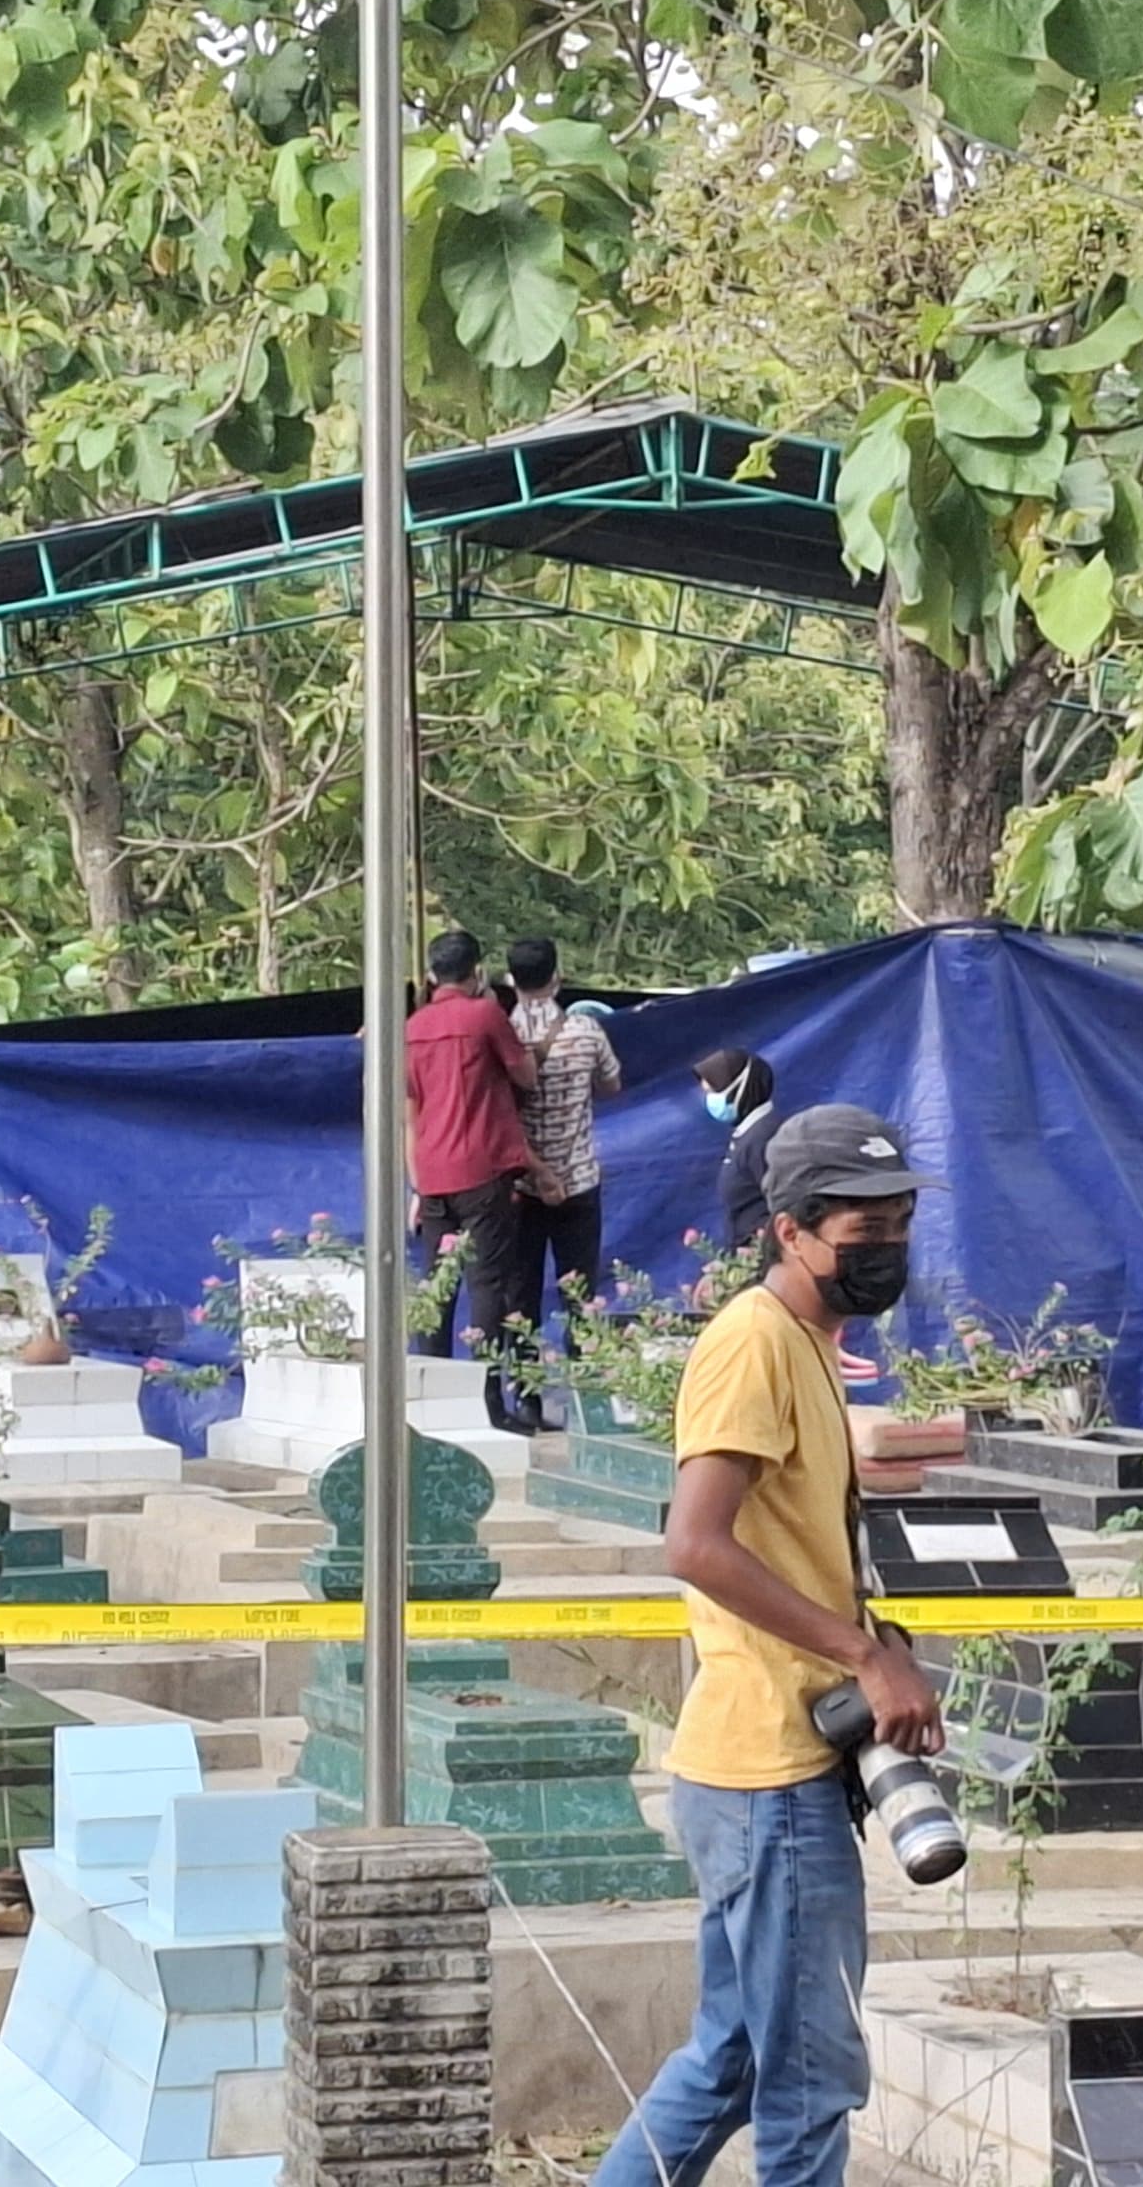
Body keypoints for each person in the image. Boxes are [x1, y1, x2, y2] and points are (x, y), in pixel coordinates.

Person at [599, 1104, 949, 2187]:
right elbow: (695, 1544)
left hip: (758, 1768)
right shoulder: (753, 1342)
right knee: (806, 2080)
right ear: (792, 1230)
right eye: (863, 1231)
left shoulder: (804, 1340)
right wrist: (861, 1653)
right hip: (771, 1776)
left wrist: (868, 1631)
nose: (886, 1248)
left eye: (899, 1223)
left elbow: (779, 1542)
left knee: (737, 2054)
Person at [408, 931, 539, 1422]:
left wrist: (416, 1183)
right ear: (477, 972)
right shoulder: (485, 1015)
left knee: (438, 1287)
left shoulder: (412, 1027)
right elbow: (525, 1075)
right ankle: (484, 1401)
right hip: (483, 1169)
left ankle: (428, 1395)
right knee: (488, 1283)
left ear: (429, 976)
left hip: (433, 1173)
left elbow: (410, 1110)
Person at [502, 939, 623, 1430]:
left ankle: (527, 1400)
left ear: (510, 980)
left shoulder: (502, 1035)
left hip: (521, 1185)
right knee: (581, 1294)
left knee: (521, 1295)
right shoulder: (585, 1030)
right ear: (558, 976)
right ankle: (585, 1406)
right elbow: (613, 1084)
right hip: (579, 1180)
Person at [697, 1048, 783, 1250]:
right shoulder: (748, 1134)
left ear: (739, 1090)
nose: (708, 1101)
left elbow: (787, 1207)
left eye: (712, 1093)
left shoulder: (765, 1137)